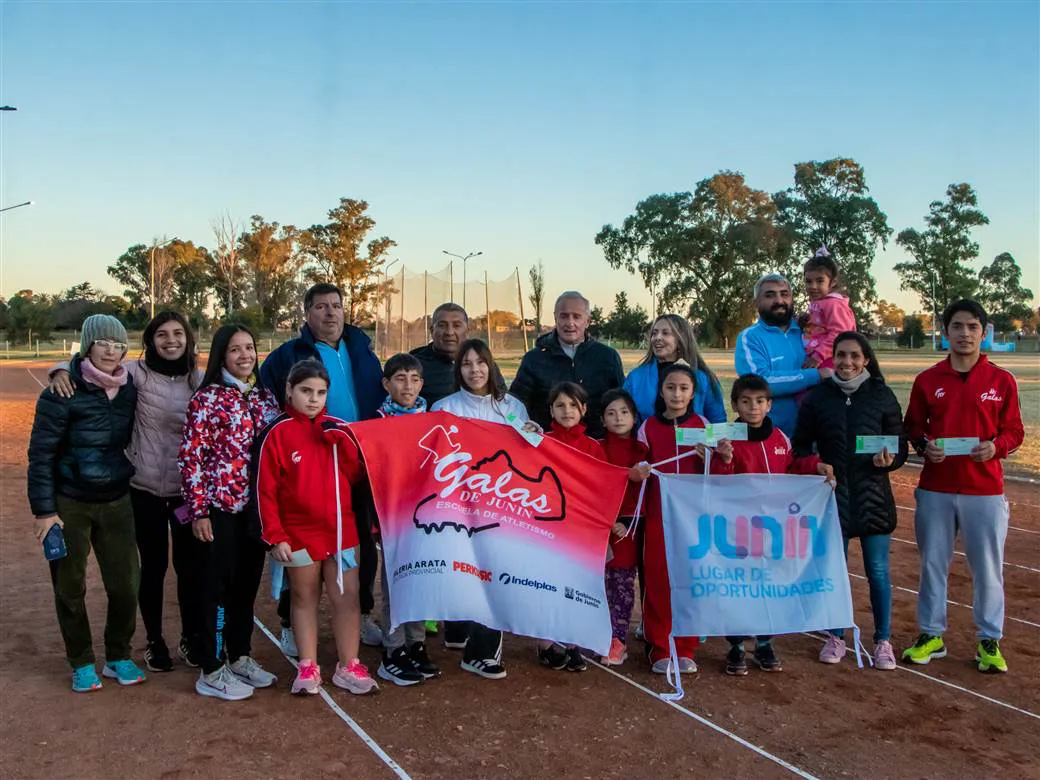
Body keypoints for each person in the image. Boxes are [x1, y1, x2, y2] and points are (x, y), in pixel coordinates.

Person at [47, 311, 205, 673]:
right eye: (162, 334)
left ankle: (191, 638)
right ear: (150, 340)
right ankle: (154, 642)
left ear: (188, 338)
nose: (171, 340)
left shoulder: (199, 379)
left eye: (178, 333)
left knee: (191, 568)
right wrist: (58, 369)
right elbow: (93, 367)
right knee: (151, 569)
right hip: (143, 488)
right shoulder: (135, 374)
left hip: (186, 494)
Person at [260, 283, 384, 654]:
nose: (330, 313)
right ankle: (288, 623)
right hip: (306, 463)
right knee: (300, 549)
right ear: (307, 313)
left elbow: (381, 400)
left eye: (336, 306)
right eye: (321, 307)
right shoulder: (287, 355)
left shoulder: (362, 350)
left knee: (360, 541)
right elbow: (267, 401)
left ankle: (360, 614)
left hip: (357, 459)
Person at [901, 300, 1024, 674]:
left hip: (983, 490)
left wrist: (996, 447)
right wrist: (925, 448)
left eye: (972, 327)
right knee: (933, 564)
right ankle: (931, 635)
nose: (965, 334)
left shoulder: (1002, 381)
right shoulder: (928, 379)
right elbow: (913, 428)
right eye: (957, 326)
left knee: (987, 568)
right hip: (936, 487)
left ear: (983, 332)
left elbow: (1014, 431)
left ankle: (989, 639)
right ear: (945, 331)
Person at [28, 314, 145, 691]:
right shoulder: (60, 391)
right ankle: (80, 660)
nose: (110, 350)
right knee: (69, 585)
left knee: (127, 584)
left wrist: (60, 367)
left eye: (117, 343)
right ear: (88, 345)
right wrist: (45, 511)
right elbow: (41, 454)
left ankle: (118, 655)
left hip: (116, 500)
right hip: (70, 502)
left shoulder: (129, 387)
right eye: (102, 342)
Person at [253, 359, 379, 696]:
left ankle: (348, 664)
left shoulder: (339, 428)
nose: (313, 399)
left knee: (347, 598)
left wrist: (347, 448)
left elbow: (357, 479)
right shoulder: (276, 433)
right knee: (304, 596)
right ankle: (308, 666)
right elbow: (265, 491)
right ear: (289, 391)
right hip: (298, 535)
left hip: (342, 533)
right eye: (306, 391)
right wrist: (275, 535)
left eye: (320, 393)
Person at [793, 332, 908, 671]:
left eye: (854, 356)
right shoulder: (818, 398)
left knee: (877, 571)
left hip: (873, 498)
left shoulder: (882, 395)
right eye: (841, 355)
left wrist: (891, 461)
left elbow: (899, 447)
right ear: (833, 357)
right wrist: (815, 465)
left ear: (866, 359)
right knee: (835, 571)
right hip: (832, 499)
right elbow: (800, 446)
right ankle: (835, 635)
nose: (847, 362)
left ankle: (882, 640)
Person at [179, 324, 281, 701]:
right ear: (222, 354)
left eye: (250, 348)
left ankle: (239, 655)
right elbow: (191, 458)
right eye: (235, 349)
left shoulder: (264, 397)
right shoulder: (207, 399)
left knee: (245, 586)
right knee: (215, 589)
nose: (244, 356)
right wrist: (199, 510)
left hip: (255, 512)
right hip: (219, 510)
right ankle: (210, 665)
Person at [432, 339, 532, 679]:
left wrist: (532, 435)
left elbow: (527, 457)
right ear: (457, 370)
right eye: (466, 364)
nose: (474, 370)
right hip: (457, 505)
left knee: (495, 573)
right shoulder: (443, 407)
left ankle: (482, 651)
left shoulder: (512, 407)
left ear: (491, 365)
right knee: (460, 567)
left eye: (480, 362)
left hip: (499, 508)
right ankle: (458, 628)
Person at [725, 374, 832, 676]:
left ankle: (764, 642)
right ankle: (735, 644)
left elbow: (792, 468)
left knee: (769, 586)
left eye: (759, 401)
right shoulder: (728, 438)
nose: (753, 407)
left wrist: (815, 466)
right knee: (739, 588)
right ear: (735, 404)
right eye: (745, 401)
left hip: (773, 530)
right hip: (737, 530)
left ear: (770, 405)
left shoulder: (779, 438)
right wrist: (723, 458)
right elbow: (720, 478)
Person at [637, 360, 734, 673]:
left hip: (695, 521)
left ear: (693, 393)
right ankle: (661, 647)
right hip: (658, 518)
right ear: (661, 391)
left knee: (693, 581)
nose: (677, 394)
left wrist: (720, 459)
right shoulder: (648, 427)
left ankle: (686, 647)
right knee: (659, 580)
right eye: (670, 388)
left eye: (683, 388)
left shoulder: (705, 428)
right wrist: (641, 471)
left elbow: (720, 476)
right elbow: (638, 467)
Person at [373, 353, 441, 686]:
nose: (408, 386)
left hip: (426, 518)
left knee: (422, 581)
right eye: (400, 378)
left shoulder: (434, 421)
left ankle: (416, 643)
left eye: (415, 379)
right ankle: (393, 650)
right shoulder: (376, 422)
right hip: (393, 519)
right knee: (396, 585)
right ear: (386, 384)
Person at [537, 381, 605, 673]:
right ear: (550, 409)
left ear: (584, 410)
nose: (567, 411)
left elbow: (603, 487)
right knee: (545, 585)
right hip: (547, 530)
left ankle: (573, 642)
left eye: (573, 405)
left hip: (579, 531)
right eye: (560, 405)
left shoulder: (594, 447)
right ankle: (545, 642)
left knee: (574, 586)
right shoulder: (542, 441)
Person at [511, 291, 624, 437]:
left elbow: (621, 403)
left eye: (577, 316)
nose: (570, 323)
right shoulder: (534, 359)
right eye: (564, 316)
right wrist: (521, 426)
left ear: (587, 321)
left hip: (597, 447)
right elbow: (512, 406)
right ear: (555, 318)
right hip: (548, 449)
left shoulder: (608, 357)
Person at [735, 274, 828, 437]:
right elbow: (760, 383)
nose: (779, 300)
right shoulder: (750, 337)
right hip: (770, 439)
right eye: (770, 295)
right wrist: (815, 375)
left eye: (784, 294)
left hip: (815, 436)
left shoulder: (808, 331)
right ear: (756, 302)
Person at [598, 389, 649, 667]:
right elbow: (593, 483)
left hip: (631, 528)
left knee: (622, 584)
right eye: (611, 413)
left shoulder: (643, 450)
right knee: (599, 583)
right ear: (603, 419)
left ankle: (618, 639)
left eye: (625, 412)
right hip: (602, 525)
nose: (618, 418)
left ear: (634, 417)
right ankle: (597, 632)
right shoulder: (597, 448)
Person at [623, 314, 726, 424]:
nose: (657, 338)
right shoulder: (635, 378)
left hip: (694, 441)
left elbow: (717, 422)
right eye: (654, 333)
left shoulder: (703, 379)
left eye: (665, 333)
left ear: (681, 339)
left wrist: (709, 440)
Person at [410, 302, 504, 407]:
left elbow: (505, 407)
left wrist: (517, 422)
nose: (449, 332)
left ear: (467, 331)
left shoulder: (485, 365)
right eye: (442, 325)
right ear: (432, 331)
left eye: (456, 325)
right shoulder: (412, 366)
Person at [800, 245, 857, 369]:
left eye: (820, 281)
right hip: (816, 355)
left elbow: (840, 333)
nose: (813, 286)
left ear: (833, 282)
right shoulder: (820, 302)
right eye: (808, 281)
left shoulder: (834, 304)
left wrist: (818, 356)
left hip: (828, 359)